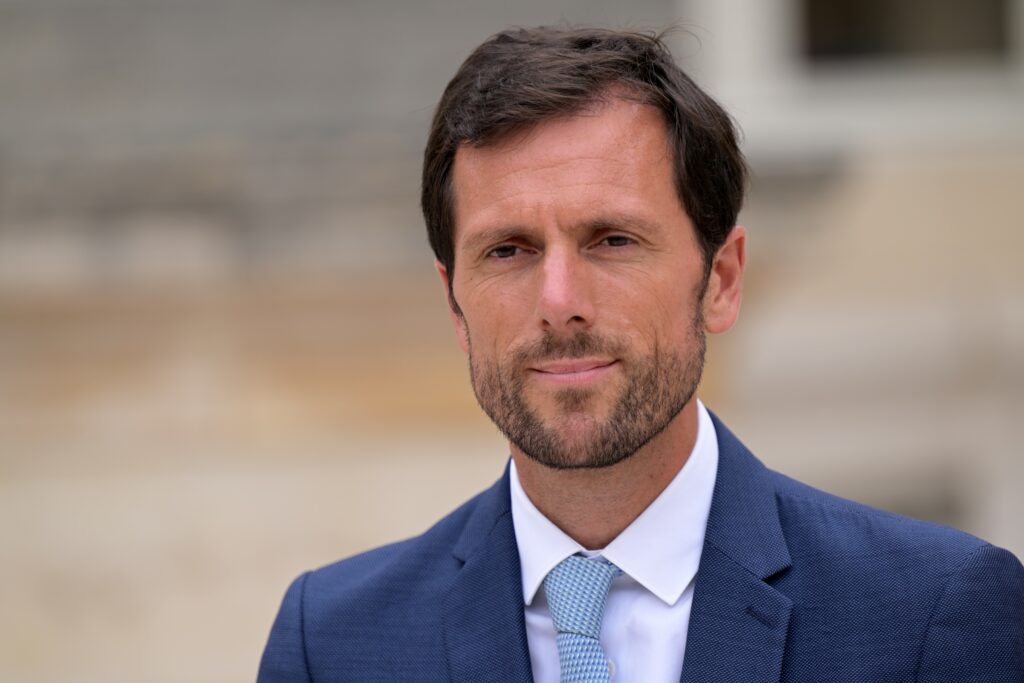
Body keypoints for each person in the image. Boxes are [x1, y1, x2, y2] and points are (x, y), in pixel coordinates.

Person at [258, 27, 1024, 682]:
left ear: (721, 280)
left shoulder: (930, 615)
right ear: (454, 304)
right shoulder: (333, 644)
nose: (560, 300)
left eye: (613, 240)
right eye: (509, 249)